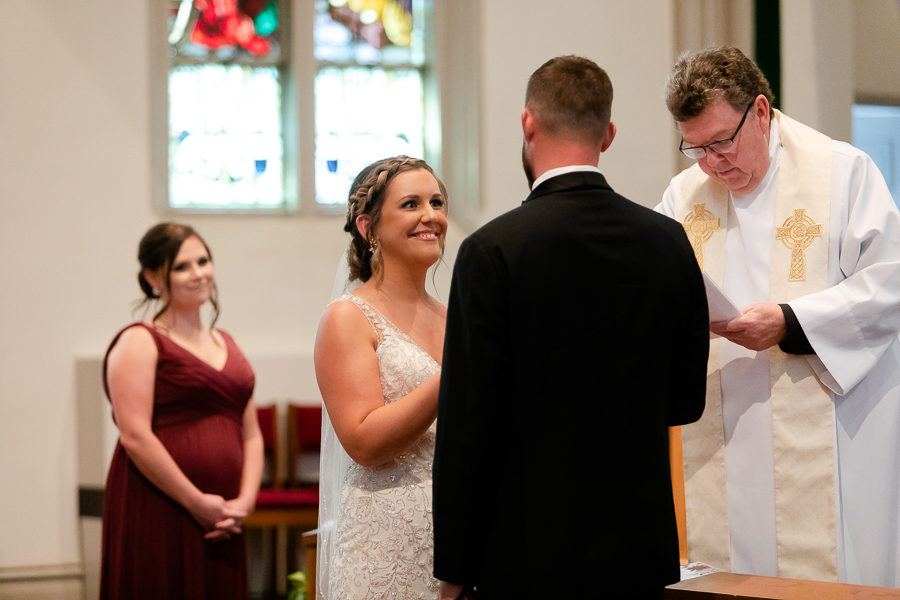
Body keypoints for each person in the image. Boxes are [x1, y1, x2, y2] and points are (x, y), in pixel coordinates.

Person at [433, 55, 710, 600]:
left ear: (527, 123)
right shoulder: (667, 241)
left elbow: (468, 426)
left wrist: (455, 571)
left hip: (523, 555)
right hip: (637, 550)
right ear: (607, 135)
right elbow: (685, 401)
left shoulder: (491, 251)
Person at [656, 46, 900, 587]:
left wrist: (791, 321)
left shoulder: (841, 174)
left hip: (828, 429)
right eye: (695, 148)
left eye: (722, 141)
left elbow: (891, 281)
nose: (713, 162)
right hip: (723, 428)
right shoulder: (683, 195)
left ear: (761, 111)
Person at [100, 222, 262, 599]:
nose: (198, 274)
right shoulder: (139, 341)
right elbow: (135, 436)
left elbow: (251, 433)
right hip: (161, 503)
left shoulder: (227, 342)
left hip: (224, 512)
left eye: (203, 261)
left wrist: (245, 502)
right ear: (153, 277)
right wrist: (195, 501)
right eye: (182, 266)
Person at [314, 155, 450, 600]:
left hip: (453, 538)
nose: (431, 215)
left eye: (437, 202)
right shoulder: (348, 318)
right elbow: (364, 441)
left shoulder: (456, 319)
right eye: (411, 204)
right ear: (368, 227)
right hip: (383, 538)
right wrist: (452, 376)